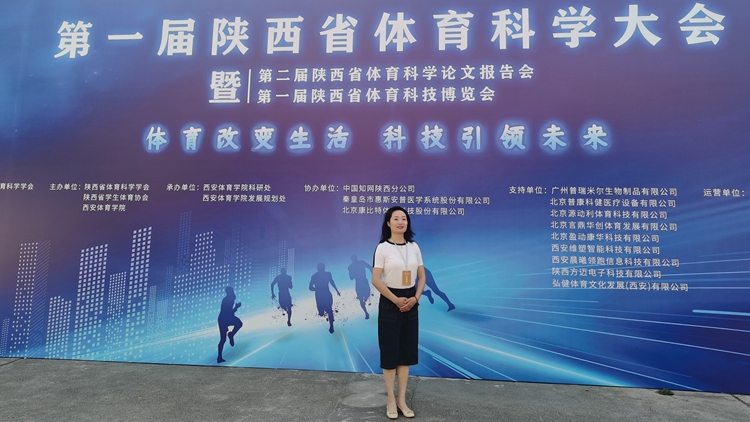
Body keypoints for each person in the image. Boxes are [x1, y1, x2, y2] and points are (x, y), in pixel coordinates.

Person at [371, 206, 426, 419]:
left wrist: (415, 298)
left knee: (405, 353)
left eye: (404, 218)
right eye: (396, 219)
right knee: (390, 353)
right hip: (389, 302)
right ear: (388, 223)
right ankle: (391, 400)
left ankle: (402, 400)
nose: (400, 222)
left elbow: (422, 276)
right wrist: (395, 300)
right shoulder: (382, 248)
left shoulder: (414, 246)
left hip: (411, 301)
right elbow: (376, 280)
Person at [309, 263, 341, 334]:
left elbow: (332, 282)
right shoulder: (315, 276)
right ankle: (329, 317)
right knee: (321, 313)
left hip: (325, 294)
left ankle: (331, 326)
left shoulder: (327, 274)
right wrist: (317, 289)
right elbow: (310, 287)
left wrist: (337, 290)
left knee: (329, 310)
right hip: (320, 295)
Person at [217, 286, 243, 364]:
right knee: (223, 339)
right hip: (223, 319)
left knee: (239, 323)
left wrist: (235, 307)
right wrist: (236, 307)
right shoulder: (226, 300)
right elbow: (228, 312)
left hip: (227, 317)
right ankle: (219, 357)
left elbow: (230, 312)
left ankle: (231, 334)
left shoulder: (232, 298)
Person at [348, 254, 373, 319]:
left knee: (367, 295)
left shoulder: (361, 262)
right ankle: (366, 313)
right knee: (361, 299)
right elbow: (351, 278)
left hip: (363, 282)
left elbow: (370, 267)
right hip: (359, 282)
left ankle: (365, 301)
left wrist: (373, 275)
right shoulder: (350, 267)